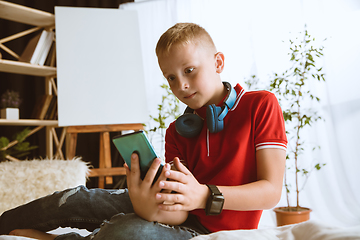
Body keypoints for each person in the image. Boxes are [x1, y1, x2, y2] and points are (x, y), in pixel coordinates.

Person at [0, 23, 287, 240]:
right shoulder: (178, 131)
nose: (181, 86)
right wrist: (144, 203)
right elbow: (177, 208)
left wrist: (202, 196)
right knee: (74, 198)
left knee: (124, 231)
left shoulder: (260, 105)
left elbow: (271, 192)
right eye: (171, 78)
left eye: (189, 70)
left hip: (203, 231)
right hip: (174, 211)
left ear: (218, 62)